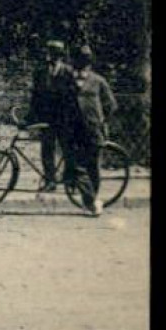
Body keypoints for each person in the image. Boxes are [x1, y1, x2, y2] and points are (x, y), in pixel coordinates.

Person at [64, 45, 118, 216]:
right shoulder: (65, 81)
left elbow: (110, 104)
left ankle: (91, 199)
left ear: (90, 62)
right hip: (72, 130)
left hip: (93, 130)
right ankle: (91, 201)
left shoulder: (98, 81)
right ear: (73, 61)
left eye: (86, 60)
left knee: (93, 166)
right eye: (79, 59)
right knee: (76, 165)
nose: (82, 63)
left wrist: (101, 121)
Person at [28, 41, 72, 192]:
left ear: (60, 55)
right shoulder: (40, 72)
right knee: (47, 150)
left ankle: (70, 180)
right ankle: (50, 180)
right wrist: (30, 117)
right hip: (46, 118)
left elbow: (73, 97)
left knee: (68, 149)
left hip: (64, 118)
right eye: (49, 53)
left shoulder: (68, 72)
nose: (50, 57)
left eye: (54, 53)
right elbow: (35, 96)